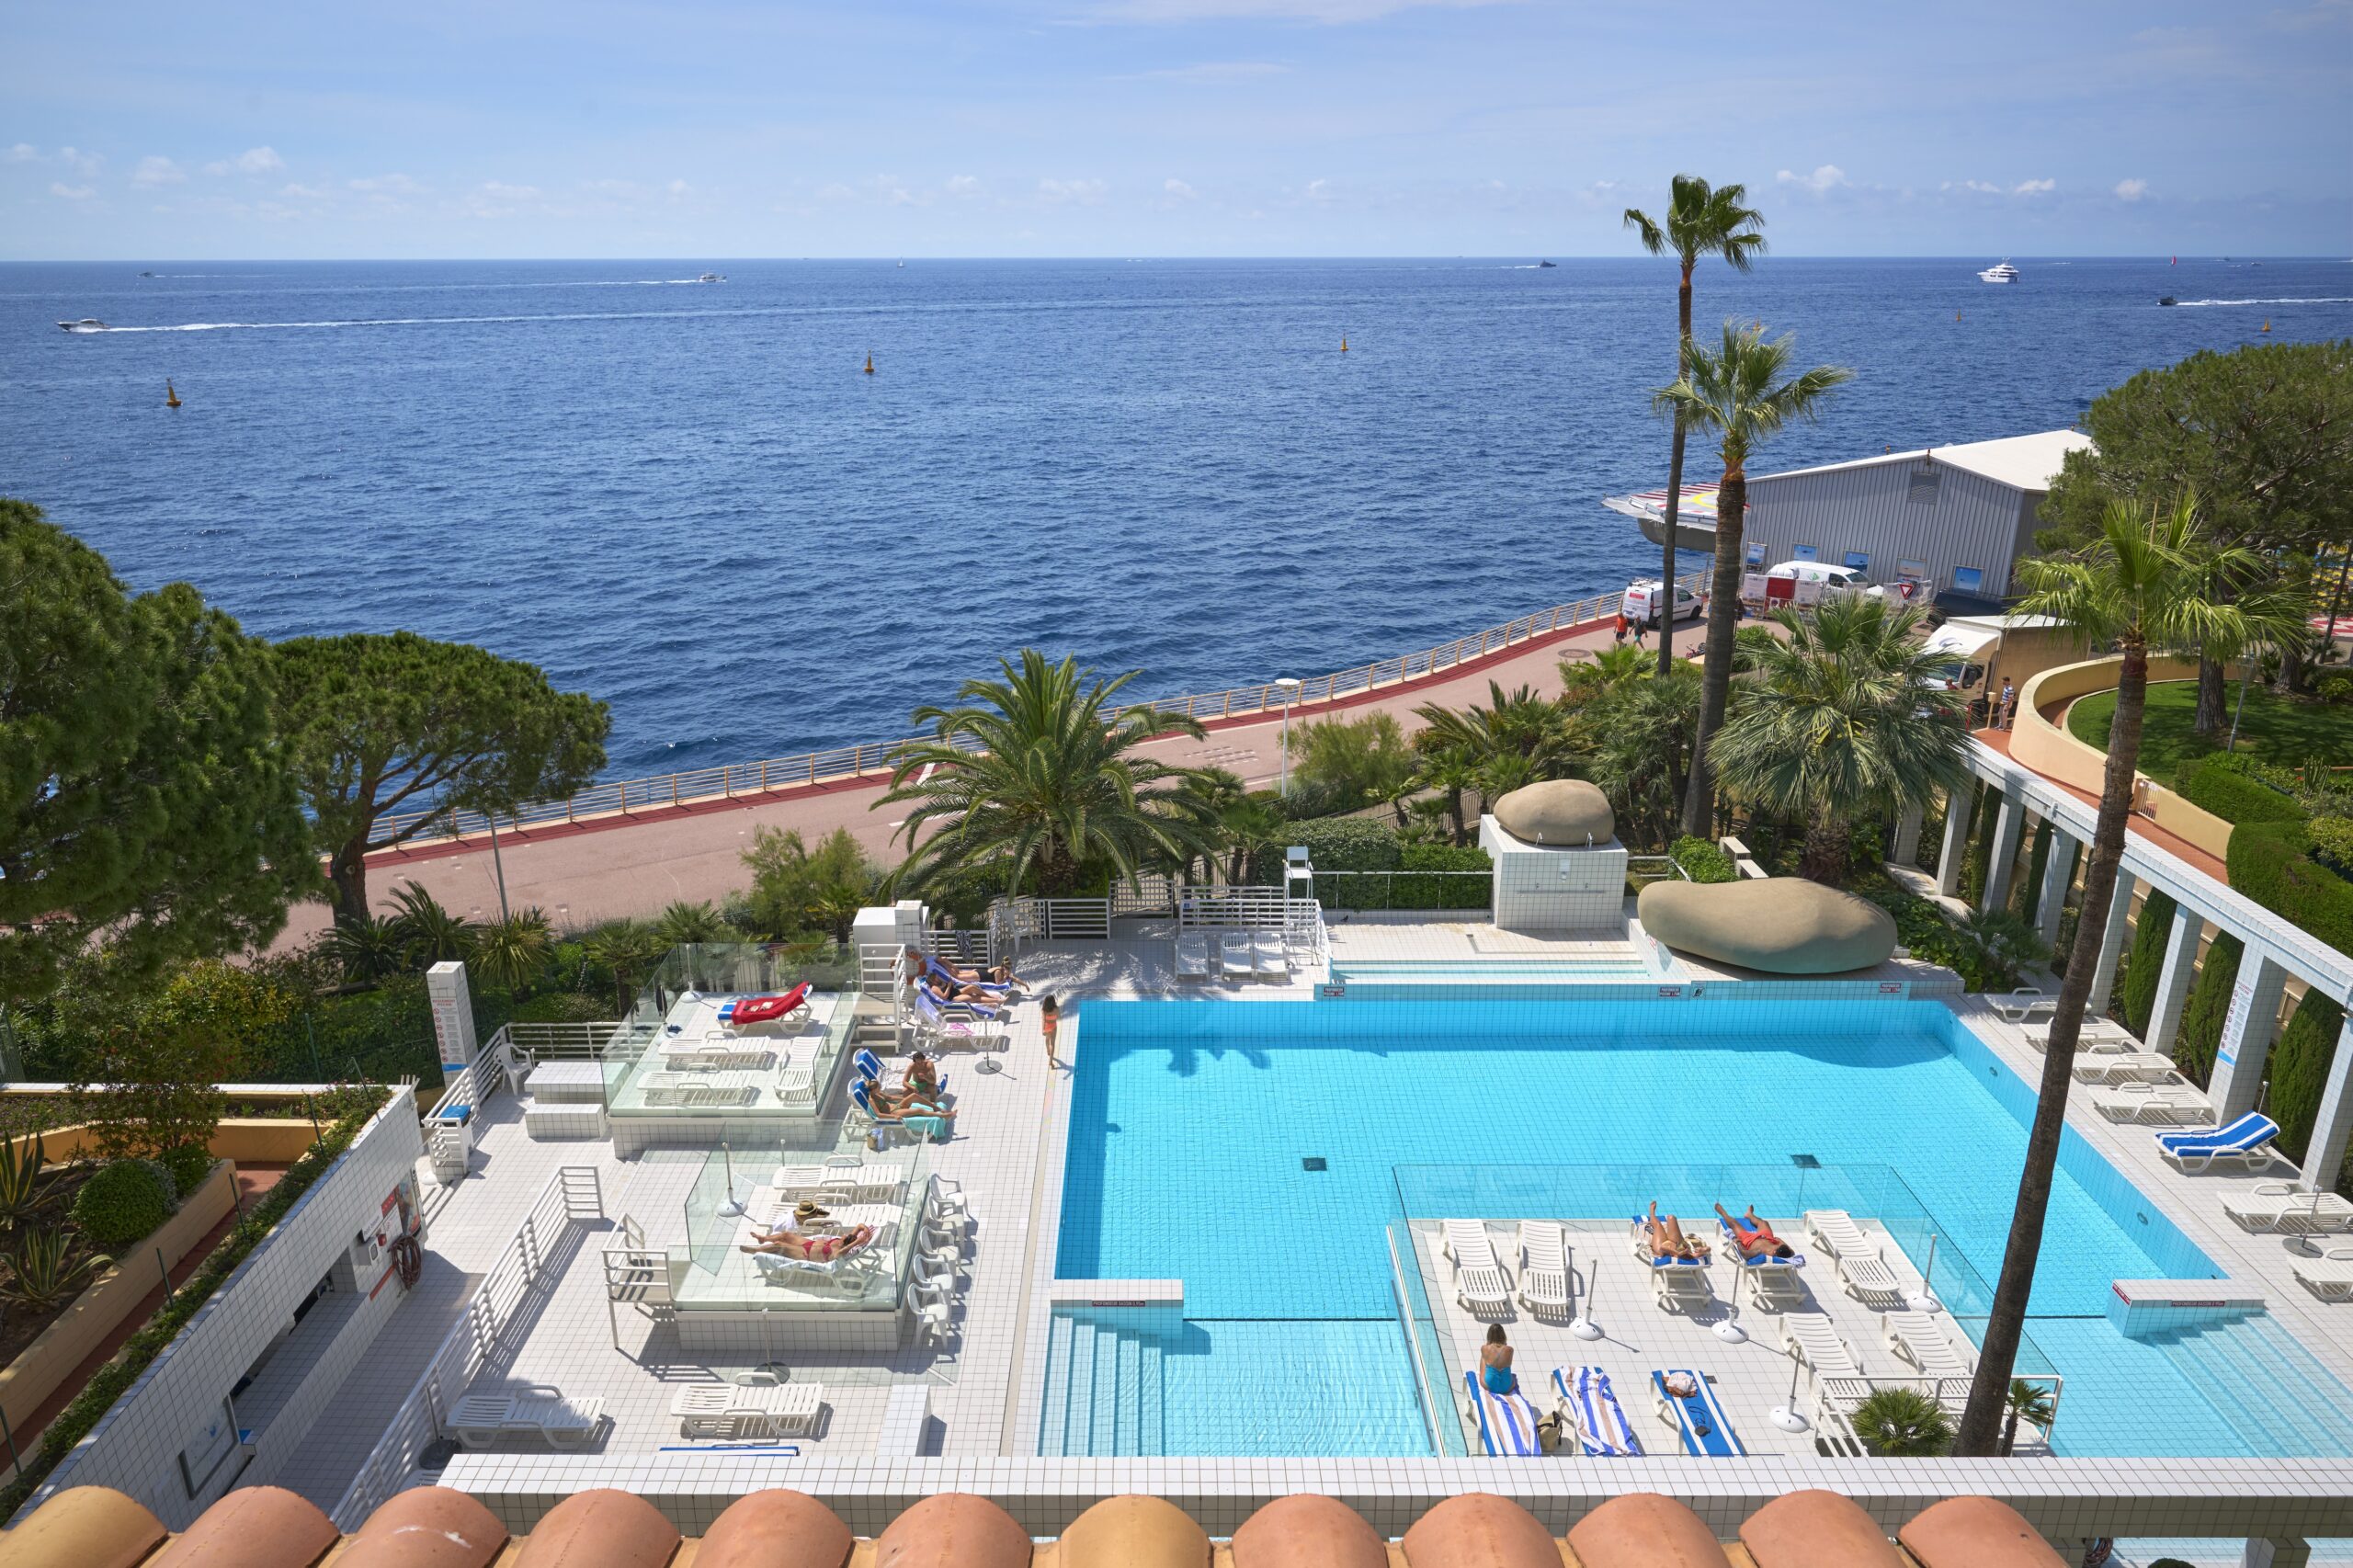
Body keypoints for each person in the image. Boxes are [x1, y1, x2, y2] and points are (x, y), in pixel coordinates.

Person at [741, 1221, 877, 1261]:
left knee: (779, 1245)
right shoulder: (843, 1240)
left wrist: (858, 1242)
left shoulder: (839, 1250)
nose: (843, 1235)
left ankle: (756, 1250)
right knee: (786, 1235)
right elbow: (859, 1225)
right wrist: (864, 1229)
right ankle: (763, 1239)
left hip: (805, 1254)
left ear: (847, 1241)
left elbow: (842, 1251)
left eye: (844, 1236)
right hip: (808, 1243)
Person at [1714, 1203, 1796, 1260]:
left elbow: (1744, 1253)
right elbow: (1791, 1252)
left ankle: (1723, 1213)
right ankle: (1749, 1215)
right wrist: (1778, 1241)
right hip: (1766, 1238)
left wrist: (1738, 1242)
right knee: (1764, 1223)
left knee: (1734, 1224)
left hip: (1749, 1240)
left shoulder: (1761, 1251)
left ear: (1775, 1253)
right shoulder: (1779, 1250)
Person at [1644, 1200, 1709, 1261]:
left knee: (1657, 1225)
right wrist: (1702, 1249)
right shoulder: (1691, 1255)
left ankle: (1652, 1213)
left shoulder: (1671, 1255)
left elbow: (1662, 1248)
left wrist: (1677, 1253)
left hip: (1662, 1247)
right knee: (1671, 1217)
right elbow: (1708, 1249)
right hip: (1677, 1243)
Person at [1479, 1323, 1517, 1394]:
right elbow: (1508, 1365)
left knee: (1484, 1357)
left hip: (1489, 1385)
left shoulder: (1485, 1348)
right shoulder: (1510, 1349)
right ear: (1503, 1335)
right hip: (1507, 1387)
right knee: (1505, 1369)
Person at [1040, 994, 1062, 1070]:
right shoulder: (1056, 1009)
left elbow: (1043, 1020)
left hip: (1047, 1027)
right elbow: (1059, 1017)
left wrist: (1043, 1029)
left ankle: (1048, 1051)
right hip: (1053, 1027)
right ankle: (1051, 1061)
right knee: (1052, 1044)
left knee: (1047, 1039)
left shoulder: (1044, 1010)